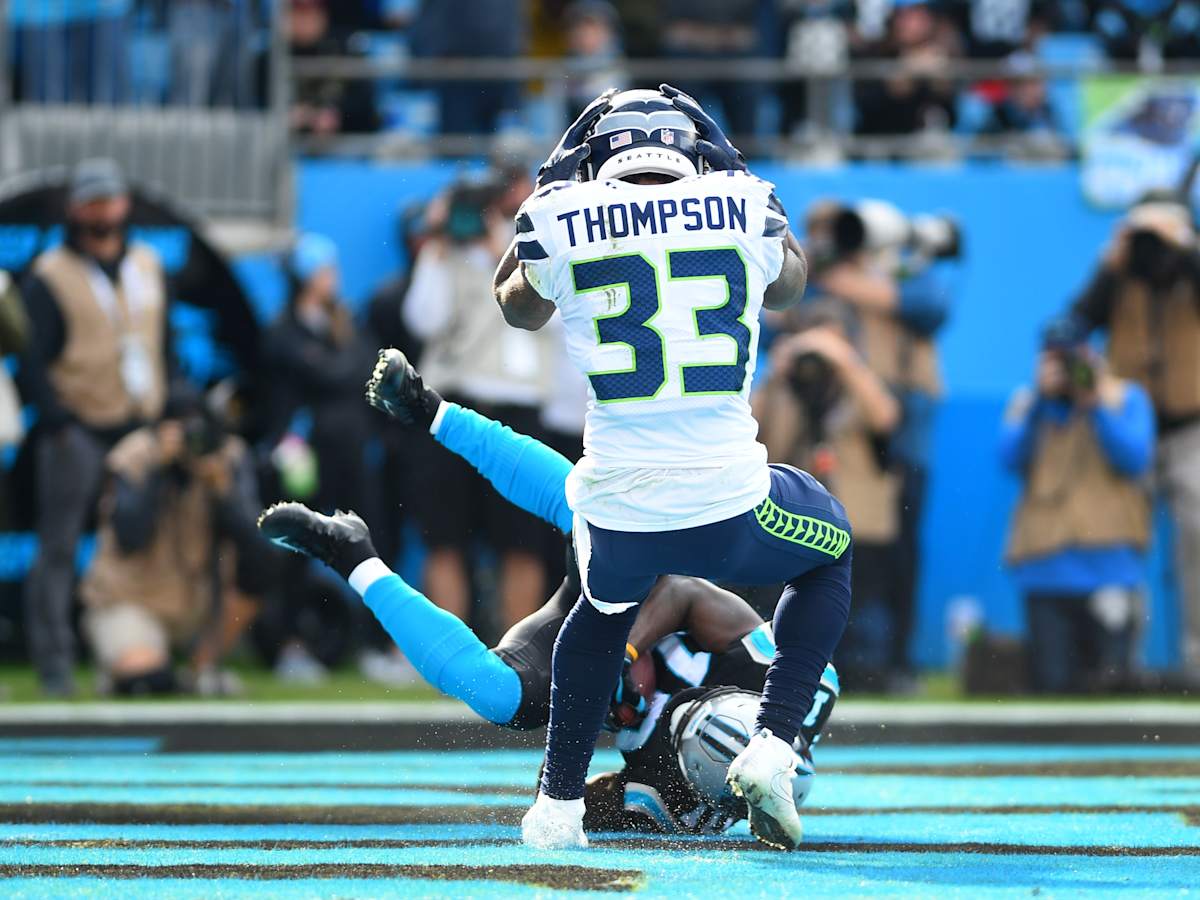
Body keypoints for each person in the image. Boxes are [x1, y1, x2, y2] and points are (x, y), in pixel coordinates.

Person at [258, 347, 840, 835]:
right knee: (592, 511)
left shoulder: (676, 803)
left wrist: (580, 788)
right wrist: (621, 653)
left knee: (496, 696)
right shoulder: (771, 677)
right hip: (643, 578)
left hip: (582, 655)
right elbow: (685, 594)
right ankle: (430, 410)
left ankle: (348, 553)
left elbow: (598, 801)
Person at [492, 87, 851, 851]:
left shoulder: (559, 215)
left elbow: (516, 307)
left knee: (597, 615)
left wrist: (548, 189)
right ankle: (773, 744)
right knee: (830, 547)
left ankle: (556, 807)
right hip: (729, 501)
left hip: (621, 513)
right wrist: (747, 181)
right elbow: (790, 285)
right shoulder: (742, 200)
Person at [21, 159, 170, 696]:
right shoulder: (50, 271)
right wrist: (57, 421)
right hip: (78, 424)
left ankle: (143, 658)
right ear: (76, 208)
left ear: (124, 205)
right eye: (93, 201)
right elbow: (30, 357)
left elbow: (164, 343)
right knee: (58, 547)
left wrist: (164, 412)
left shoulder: (148, 264)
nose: (104, 210)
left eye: (111, 199)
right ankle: (54, 662)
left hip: (138, 424)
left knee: (148, 541)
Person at [804, 197, 955, 688]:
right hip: (839, 431)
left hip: (902, 427)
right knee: (829, 545)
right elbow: (784, 315)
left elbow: (930, 306)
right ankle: (843, 658)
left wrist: (850, 281)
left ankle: (897, 660)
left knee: (901, 548)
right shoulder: (823, 281)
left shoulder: (909, 274)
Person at [403, 174, 552, 631]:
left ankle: (519, 659)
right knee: (444, 538)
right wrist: (436, 244)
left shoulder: (540, 249)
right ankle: (450, 661)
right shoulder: (447, 257)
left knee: (522, 543)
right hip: (454, 408)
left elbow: (560, 322)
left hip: (519, 409)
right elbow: (422, 321)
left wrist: (503, 253)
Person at [1070, 195, 1200, 684]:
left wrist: (1184, 248)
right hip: (1129, 429)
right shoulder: (1119, 277)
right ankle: (1124, 662)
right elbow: (1074, 325)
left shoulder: (1191, 268)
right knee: (1121, 542)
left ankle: (1197, 661)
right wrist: (1110, 266)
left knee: (1198, 538)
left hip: (1192, 428)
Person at [80, 390, 272, 696]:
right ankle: (164, 676)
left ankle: (199, 667)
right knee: (143, 677)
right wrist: (159, 469)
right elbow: (129, 537)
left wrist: (224, 493)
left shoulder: (225, 454)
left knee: (254, 583)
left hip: (198, 604)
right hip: (132, 600)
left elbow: (261, 553)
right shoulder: (135, 454)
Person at [1000, 317, 1155, 693]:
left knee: (1113, 687)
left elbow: (1134, 458)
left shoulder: (1126, 397)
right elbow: (1008, 458)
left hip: (1110, 569)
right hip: (1046, 569)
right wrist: (1041, 402)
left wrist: (1094, 403)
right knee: (1052, 686)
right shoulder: (1028, 401)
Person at [755, 302, 901, 688]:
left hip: (861, 515)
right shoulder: (788, 384)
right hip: (801, 519)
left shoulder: (861, 380)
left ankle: (868, 677)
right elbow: (754, 434)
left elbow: (885, 417)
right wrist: (777, 374)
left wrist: (847, 363)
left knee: (861, 605)